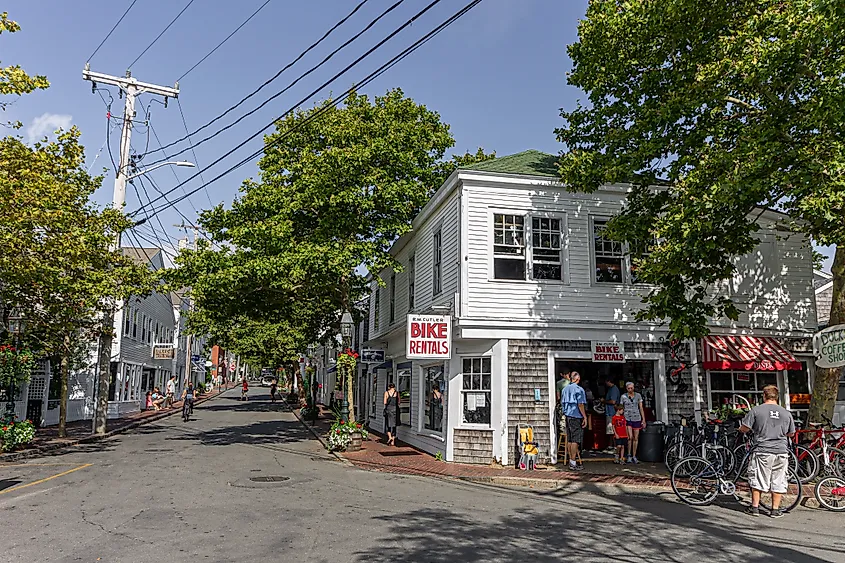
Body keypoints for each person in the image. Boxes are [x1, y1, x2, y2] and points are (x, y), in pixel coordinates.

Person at [739, 385, 795, 518]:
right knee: (779, 479)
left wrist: (741, 430)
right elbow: (791, 433)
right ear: (777, 397)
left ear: (764, 396)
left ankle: (755, 508)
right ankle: (774, 510)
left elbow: (745, 428)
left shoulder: (757, 410)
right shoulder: (786, 413)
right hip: (781, 450)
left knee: (758, 478)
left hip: (763, 449)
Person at [560, 371, 587, 471]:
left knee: (570, 439)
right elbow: (580, 404)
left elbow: (562, 402)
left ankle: (571, 461)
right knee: (576, 439)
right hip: (576, 416)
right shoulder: (579, 390)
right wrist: (584, 416)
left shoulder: (565, 389)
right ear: (577, 379)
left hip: (568, 416)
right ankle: (573, 462)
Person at [620, 381, 646, 463]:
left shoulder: (638, 396)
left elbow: (641, 407)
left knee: (636, 438)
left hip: (637, 418)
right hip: (627, 418)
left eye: (631, 388)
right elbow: (621, 407)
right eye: (628, 388)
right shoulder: (623, 396)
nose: (630, 390)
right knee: (630, 437)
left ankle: (634, 455)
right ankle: (629, 455)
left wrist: (643, 419)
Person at [604, 378, 621, 444]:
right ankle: (611, 445)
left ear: (609, 381)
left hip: (612, 413)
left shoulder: (614, 389)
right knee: (610, 431)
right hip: (609, 412)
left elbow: (613, 401)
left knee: (612, 430)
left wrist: (604, 401)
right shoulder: (611, 389)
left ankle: (614, 446)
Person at [383, 382, 399, 446]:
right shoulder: (397, 393)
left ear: (389, 387)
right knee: (394, 425)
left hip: (389, 410)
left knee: (388, 424)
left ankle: (389, 437)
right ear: (394, 387)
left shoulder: (386, 393)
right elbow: (399, 402)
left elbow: (384, 402)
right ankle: (393, 441)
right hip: (395, 410)